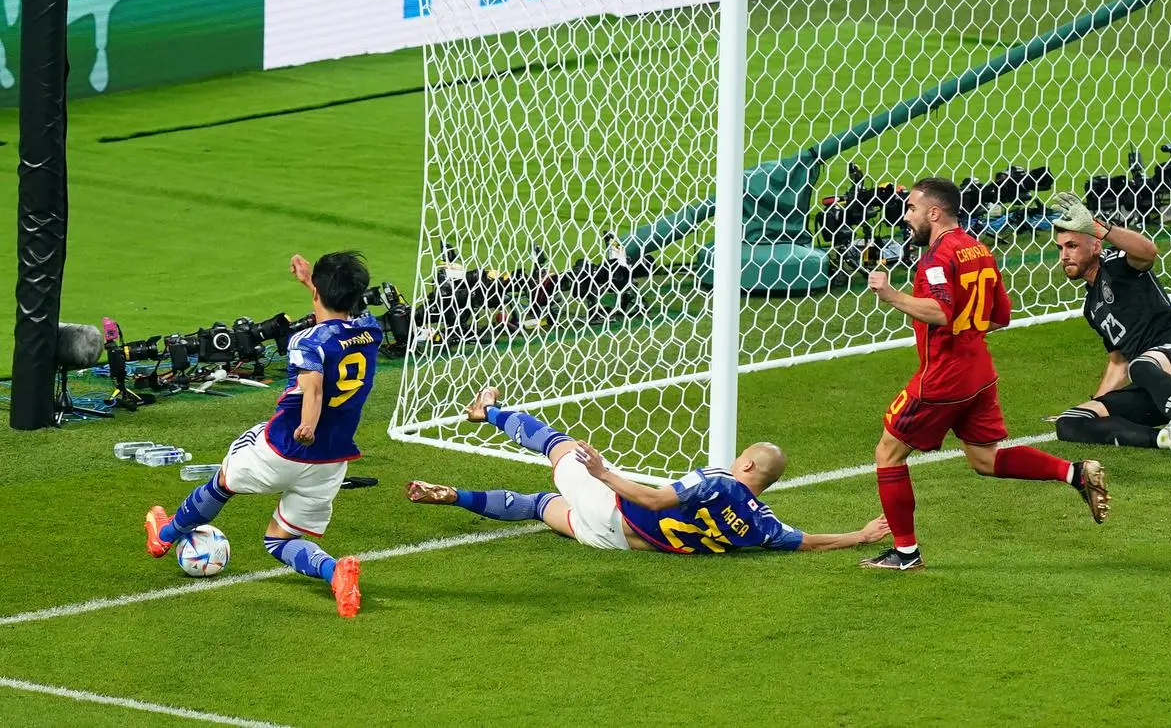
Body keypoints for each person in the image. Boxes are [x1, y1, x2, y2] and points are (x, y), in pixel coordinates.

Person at [862, 178, 1110, 572]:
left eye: (911, 208)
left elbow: (940, 312)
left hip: (944, 377)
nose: (906, 217)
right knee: (983, 459)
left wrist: (890, 294)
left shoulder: (937, 258)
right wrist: (967, 331)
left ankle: (905, 554)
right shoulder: (979, 248)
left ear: (933, 212)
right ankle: (1075, 473)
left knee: (887, 453)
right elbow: (1001, 316)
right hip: (979, 371)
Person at [144, 252, 381, 618]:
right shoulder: (370, 332)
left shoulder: (305, 342)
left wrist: (307, 424)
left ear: (318, 291)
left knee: (224, 480)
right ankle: (336, 572)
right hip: (332, 460)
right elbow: (339, 322)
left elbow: (313, 388)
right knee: (279, 540)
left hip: (284, 446)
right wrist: (310, 282)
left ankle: (164, 536)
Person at [406, 387, 891, 554]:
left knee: (562, 446)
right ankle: (458, 495)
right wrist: (859, 535)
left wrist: (601, 472)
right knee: (538, 507)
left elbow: (657, 500)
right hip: (613, 541)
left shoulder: (718, 481)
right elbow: (806, 541)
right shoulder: (763, 525)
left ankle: (485, 411)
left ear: (746, 463)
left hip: (614, 506)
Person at [1050, 192, 1171, 463]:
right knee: (1070, 422)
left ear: (1095, 246)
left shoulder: (1117, 263)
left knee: (1141, 365)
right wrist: (1101, 404)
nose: (1064, 256)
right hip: (1154, 382)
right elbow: (1118, 362)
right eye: (1060, 248)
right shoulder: (1091, 308)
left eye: (1071, 245)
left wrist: (1100, 228)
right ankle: (1169, 439)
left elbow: (1148, 252)